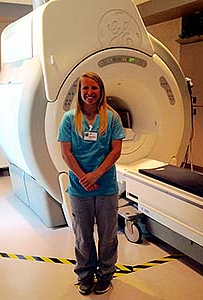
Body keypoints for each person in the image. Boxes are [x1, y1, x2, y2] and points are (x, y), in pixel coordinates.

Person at [58, 72, 125, 295]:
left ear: (101, 91)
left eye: (94, 88)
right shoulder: (69, 119)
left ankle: (105, 275)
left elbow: (116, 151)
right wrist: (83, 177)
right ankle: (85, 275)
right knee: (83, 237)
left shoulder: (112, 118)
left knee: (108, 237)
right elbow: (66, 153)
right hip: (79, 188)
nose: (89, 92)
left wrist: (95, 175)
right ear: (79, 92)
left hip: (105, 186)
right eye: (85, 88)